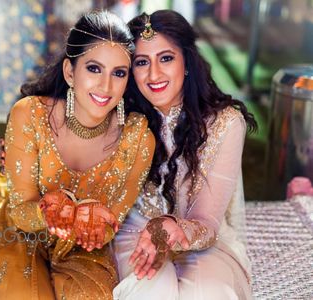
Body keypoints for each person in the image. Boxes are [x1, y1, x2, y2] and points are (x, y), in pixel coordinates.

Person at [0, 11, 155, 299]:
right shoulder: (31, 115)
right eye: (93, 69)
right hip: (18, 237)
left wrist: (89, 219)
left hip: (82, 252)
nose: (106, 86)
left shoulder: (137, 140)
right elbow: (20, 211)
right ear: (69, 72)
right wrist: (50, 211)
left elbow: (109, 227)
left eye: (119, 73)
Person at [113, 10, 257, 299]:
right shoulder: (121, 115)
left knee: (212, 293)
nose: (154, 74)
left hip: (202, 238)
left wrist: (173, 229)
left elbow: (206, 220)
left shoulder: (225, 123)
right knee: (153, 289)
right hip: (136, 230)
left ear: (187, 61)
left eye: (166, 58)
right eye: (142, 62)